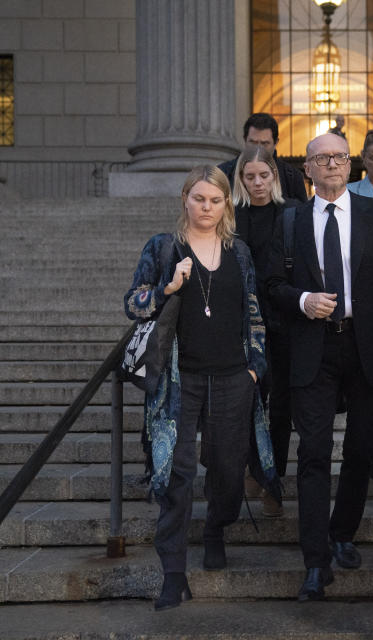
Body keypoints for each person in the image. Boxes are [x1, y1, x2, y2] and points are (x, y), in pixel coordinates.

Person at [266, 132, 373, 602]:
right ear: (306, 169)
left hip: (368, 347)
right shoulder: (289, 220)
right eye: (320, 158)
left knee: (361, 448)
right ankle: (315, 559)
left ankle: (344, 532)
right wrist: (303, 299)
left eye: (338, 157)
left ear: (349, 166)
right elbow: (270, 286)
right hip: (313, 350)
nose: (330, 164)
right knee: (311, 454)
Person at [123, 165, 273, 611]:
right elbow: (133, 302)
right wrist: (167, 287)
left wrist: (254, 368)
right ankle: (173, 573)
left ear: (226, 203)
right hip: (178, 379)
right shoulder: (163, 247)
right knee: (177, 473)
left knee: (228, 469)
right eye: (199, 199)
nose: (206, 207)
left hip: (232, 376)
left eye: (215, 200)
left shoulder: (239, 251)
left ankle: (215, 528)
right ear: (185, 199)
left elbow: (254, 313)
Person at [232, 144, 302, 517]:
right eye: (249, 177)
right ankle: (254, 469)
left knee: (282, 409)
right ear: (240, 179)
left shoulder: (290, 213)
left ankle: (273, 482)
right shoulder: (232, 217)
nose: (257, 183)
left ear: (274, 176)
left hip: (283, 320)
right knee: (248, 401)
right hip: (243, 324)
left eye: (264, 175)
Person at [218, 112, 308, 202]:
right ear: (245, 140)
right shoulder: (223, 173)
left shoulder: (292, 177)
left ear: (276, 142)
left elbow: (301, 213)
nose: (258, 148)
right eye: (253, 142)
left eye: (264, 143)